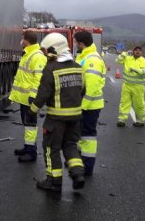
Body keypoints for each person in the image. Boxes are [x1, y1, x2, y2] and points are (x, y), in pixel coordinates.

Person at [32, 33, 85, 192]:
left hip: (55, 118)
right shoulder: (78, 67)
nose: (45, 54)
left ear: (53, 50)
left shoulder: (51, 68)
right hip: (75, 117)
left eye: (46, 50)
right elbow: (83, 91)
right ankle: (77, 173)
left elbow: (43, 93)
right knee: (70, 145)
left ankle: (54, 182)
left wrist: (32, 110)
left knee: (50, 148)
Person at [8, 30, 47, 162]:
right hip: (24, 99)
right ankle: (28, 147)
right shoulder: (28, 53)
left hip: (30, 98)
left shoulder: (37, 55)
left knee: (30, 124)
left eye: (22, 38)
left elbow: (39, 77)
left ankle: (31, 152)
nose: (21, 41)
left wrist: (33, 95)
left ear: (26, 40)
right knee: (27, 124)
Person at [73, 31, 106, 176]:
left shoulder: (92, 59)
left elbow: (91, 88)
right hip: (85, 105)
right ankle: (81, 162)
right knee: (82, 135)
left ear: (82, 43)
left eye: (76, 42)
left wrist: (81, 107)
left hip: (89, 106)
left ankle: (87, 167)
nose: (75, 45)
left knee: (88, 136)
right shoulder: (84, 56)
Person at [116, 46, 145, 127]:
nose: (138, 51)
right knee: (124, 103)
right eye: (136, 50)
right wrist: (123, 54)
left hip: (138, 87)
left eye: (139, 50)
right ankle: (121, 120)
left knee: (139, 104)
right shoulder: (127, 59)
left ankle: (140, 121)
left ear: (141, 52)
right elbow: (117, 61)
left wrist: (137, 70)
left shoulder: (144, 61)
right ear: (133, 51)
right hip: (127, 85)